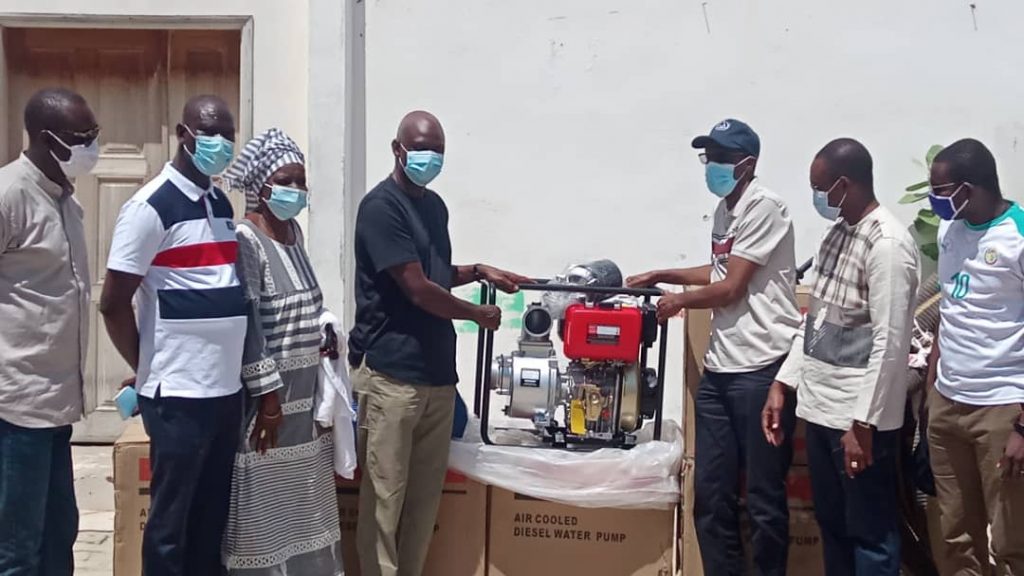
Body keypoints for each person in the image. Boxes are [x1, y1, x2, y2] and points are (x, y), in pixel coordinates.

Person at [348, 110, 529, 576]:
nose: (429, 159)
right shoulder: (381, 208)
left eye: (438, 151)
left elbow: (435, 274)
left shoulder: (434, 207)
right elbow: (416, 288)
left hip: (436, 378)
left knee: (423, 505)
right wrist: (477, 314)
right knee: (385, 503)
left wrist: (479, 271)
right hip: (392, 378)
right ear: (398, 149)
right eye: (421, 149)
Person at [628, 119, 801, 576]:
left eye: (721, 158)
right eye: (709, 157)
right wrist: (663, 274)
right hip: (721, 370)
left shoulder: (765, 207)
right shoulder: (727, 209)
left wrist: (679, 301)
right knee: (710, 496)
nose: (713, 166)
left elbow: (732, 288)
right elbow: (720, 270)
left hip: (761, 368)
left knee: (763, 500)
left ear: (747, 163)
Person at [99, 95, 244, 576]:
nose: (220, 144)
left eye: (228, 135)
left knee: (210, 519)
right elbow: (113, 302)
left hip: (224, 392)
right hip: (178, 395)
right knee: (170, 527)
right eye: (210, 134)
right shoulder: (150, 206)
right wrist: (146, 367)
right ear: (183, 135)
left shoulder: (220, 202)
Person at [763, 138, 919, 576]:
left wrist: (863, 423)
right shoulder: (835, 235)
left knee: (871, 535)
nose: (816, 197)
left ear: (845, 185)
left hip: (857, 422)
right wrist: (783, 382)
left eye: (820, 188)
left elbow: (890, 344)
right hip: (821, 410)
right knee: (833, 527)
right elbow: (816, 320)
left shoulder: (887, 246)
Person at [219, 128, 345, 574]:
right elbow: (250, 324)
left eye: (301, 181)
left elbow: (306, 304)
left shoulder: (294, 234)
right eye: (286, 180)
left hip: (304, 400)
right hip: (268, 406)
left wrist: (324, 328)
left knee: (303, 508)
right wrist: (269, 400)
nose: (296, 189)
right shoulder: (246, 240)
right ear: (261, 186)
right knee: (261, 508)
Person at [0, 88, 98, 576]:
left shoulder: (64, 199)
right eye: (81, 138)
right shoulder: (10, 195)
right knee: (18, 547)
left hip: (57, 403)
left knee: (59, 534)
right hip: (16, 406)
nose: (91, 147)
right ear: (46, 139)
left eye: (94, 135)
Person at [924, 138, 1024, 574]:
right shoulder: (950, 229)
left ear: (969, 188)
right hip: (948, 405)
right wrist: (932, 389)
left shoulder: (1018, 236)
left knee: (1010, 542)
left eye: (940, 191)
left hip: (1002, 408)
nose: (934, 201)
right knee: (955, 536)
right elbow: (949, 312)